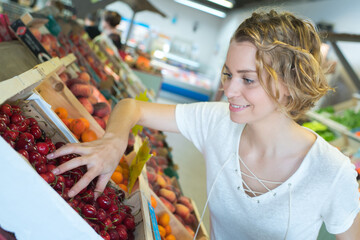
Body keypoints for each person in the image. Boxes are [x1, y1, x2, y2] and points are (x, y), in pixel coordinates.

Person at [47, 10, 360, 239]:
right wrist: (114, 140)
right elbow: (132, 107)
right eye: (228, 74)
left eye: (247, 79)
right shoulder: (217, 122)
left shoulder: (330, 172)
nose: (229, 90)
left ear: (290, 85)